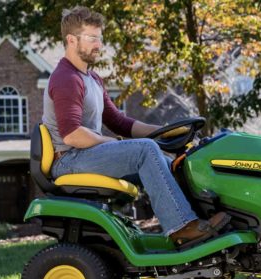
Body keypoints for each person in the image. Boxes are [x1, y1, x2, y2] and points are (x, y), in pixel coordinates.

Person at [42, 6, 229, 247]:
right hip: (69, 159)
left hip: (85, 155)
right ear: (71, 39)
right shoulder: (66, 79)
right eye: (92, 38)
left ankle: (201, 222)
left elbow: (120, 122)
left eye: (100, 38)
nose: (99, 45)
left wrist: (167, 130)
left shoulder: (92, 78)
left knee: (171, 160)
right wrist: (117, 143)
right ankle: (182, 228)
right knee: (144, 151)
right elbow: (73, 135)